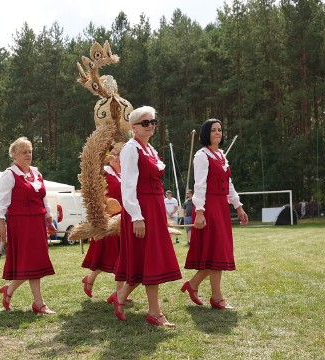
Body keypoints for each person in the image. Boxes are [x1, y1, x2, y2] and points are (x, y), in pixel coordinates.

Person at [110, 106, 182, 327]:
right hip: (141, 210)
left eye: (153, 121)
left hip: (155, 208)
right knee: (147, 258)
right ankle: (154, 312)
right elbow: (128, 186)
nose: (150, 125)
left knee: (150, 259)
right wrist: (136, 216)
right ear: (133, 128)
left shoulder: (149, 148)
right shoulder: (131, 149)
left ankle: (122, 298)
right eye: (145, 122)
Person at [182, 119, 248, 310]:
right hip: (208, 206)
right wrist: (200, 212)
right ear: (206, 133)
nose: (217, 133)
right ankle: (217, 297)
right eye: (213, 130)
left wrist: (238, 206)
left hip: (221, 206)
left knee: (217, 252)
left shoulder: (221, 155)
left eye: (219, 130)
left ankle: (193, 285)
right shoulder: (201, 155)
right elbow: (199, 186)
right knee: (216, 252)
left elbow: (228, 185)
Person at [0, 137, 57, 314]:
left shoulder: (36, 174)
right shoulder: (10, 174)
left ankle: (10, 292)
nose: (28, 154)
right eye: (24, 152)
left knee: (34, 262)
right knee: (29, 262)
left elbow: (43, 199)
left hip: (37, 222)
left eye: (30, 151)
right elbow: (2, 201)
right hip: (20, 223)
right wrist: (1, 223)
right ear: (14, 154)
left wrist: (49, 219)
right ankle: (39, 303)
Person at [80, 143, 128, 300]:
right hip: (109, 218)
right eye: (113, 153)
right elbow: (96, 192)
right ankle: (90, 278)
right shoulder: (106, 172)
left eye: (120, 154)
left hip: (123, 217)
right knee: (107, 254)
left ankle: (120, 293)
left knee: (123, 255)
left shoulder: (125, 173)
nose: (116, 157)